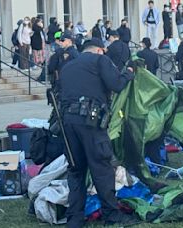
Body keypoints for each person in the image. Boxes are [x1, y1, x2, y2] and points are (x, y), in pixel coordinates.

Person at [59, 38, 139, 227]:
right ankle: (112, 216)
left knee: (76, 171)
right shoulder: (99, 61)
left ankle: (74, 220)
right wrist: (128, 73)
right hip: (91, 123)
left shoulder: (67, 66)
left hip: (68, 123)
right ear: (100, 50)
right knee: (102, 169)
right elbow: (116, 84)